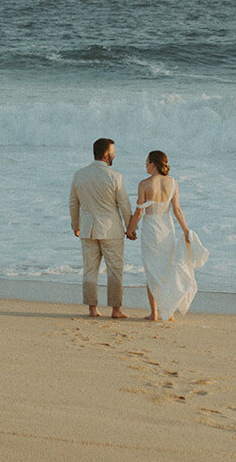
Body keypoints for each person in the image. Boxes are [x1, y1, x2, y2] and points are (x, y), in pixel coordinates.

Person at [126, 150, 199, 323]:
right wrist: (186, 231)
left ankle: (155, 313)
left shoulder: (144, 184)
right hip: (167, 229)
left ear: (153, 164)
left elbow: (139, 211)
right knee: (166, 270)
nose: (145, 165)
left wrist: (130, 229)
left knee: (152, 271)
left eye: (146, 162)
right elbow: (177, 210)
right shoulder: (173, 183)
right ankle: (170, 311)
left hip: (151, 228)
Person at [69, 137, 135, 319]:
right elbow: (124, 205)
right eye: (113, 153)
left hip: (87, 228)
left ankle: (92, 309)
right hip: (111, 230)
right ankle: (116, 310)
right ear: (106, 155)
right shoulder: (115, 177)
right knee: (115, 270)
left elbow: (73, 203)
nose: (114, 155)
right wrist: (130, 228)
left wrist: (75, 225)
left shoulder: (80, 175)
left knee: (90, 270)